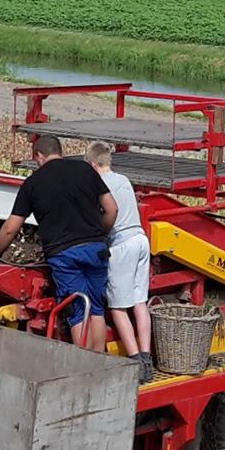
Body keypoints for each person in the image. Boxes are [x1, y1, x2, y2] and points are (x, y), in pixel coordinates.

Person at [0, 135, 118, 352]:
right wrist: (98, 235)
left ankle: (84, 363)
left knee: (77, 309)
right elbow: (112, 208)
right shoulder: (85, 170)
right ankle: (99, 361)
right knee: (95, 307)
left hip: (65, 254)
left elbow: (11, 228)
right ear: (61, 151)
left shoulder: (33, 183)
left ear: (38, 156)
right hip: (96, 249)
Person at [86, 140, 154, 381]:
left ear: (93, 164)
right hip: (141, 239)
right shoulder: (123, 180)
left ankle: (135, 360)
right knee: (139, 301)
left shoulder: (99, 184)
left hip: (122, 244)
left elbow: (101, 216)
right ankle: (146, 355)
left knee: (117, 306)